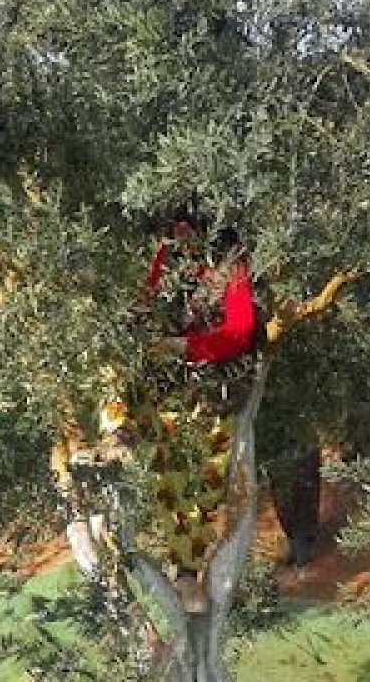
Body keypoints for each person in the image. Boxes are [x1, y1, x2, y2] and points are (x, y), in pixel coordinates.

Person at [98, 207, 259, 613]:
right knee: (112, 371)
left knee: (201, 484)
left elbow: (240, 332)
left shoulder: (231, 267)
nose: (177, 238)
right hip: (165, 386)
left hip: (212, 392)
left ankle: (186, 574)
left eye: (184, 230)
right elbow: (141, 306)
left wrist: (186, 346)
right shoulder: (166, 257)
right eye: (173, 231)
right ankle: (116, 432)